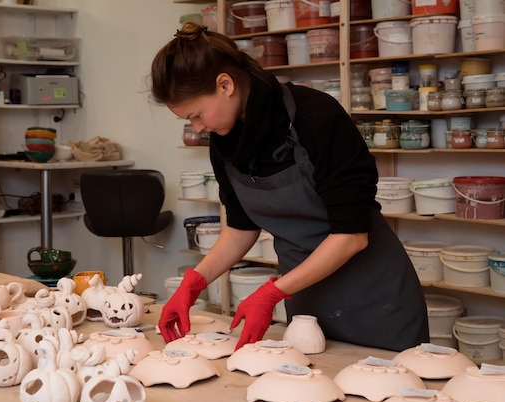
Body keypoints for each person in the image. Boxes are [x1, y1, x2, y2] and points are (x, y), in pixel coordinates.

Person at [151, 22, 429, 352]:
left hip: (376, 301)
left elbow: (352, 236)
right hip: (306, 299)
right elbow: (242, 227)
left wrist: (272, 292)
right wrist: (194, 282)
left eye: (197, 115)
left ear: (225, 84)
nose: (198, 128)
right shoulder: (224, 143)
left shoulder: (316, 116)